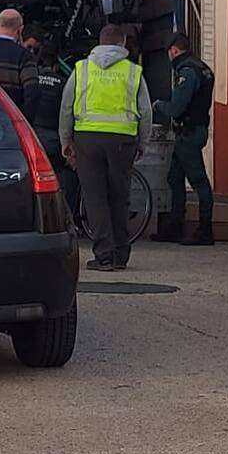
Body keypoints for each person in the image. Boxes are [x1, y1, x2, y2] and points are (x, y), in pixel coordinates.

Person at [60, 24, 152, 271]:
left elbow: (67, 107)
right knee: (120, 197)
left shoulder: (81, 69)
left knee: (95, 197)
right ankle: (121, 254)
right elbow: (145, 111)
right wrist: (143, 142)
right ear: (122, 44)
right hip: (122, 141)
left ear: (99, 43)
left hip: (87, 139)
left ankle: (104, 256)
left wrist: (66, 141)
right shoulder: (133, 71)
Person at [151, 33, 215, 246]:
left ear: (174, 51)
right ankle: (174, 226)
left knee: (199, 181)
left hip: (188, 133)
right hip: (193, 130)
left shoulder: (187, 72)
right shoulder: (202, 68)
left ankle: (205, 230)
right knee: (174, 178)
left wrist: (158, 105)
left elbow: (176, 107)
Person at [28, 39, 79, 215]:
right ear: (57, 64)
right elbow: (67, 112)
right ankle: (67, 216)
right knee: (69, 175)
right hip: (53, 138)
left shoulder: (31, 78)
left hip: (32, 137)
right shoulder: (62, 82)